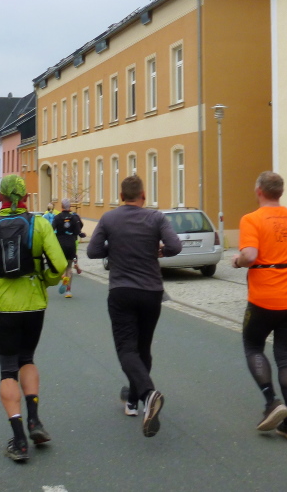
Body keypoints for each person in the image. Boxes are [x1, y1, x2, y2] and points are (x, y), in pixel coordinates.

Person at [0, 175, 67, 463]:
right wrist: (46, 280)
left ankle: (19, 440)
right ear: (26, 198)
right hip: (34, 304)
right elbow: (59, 264)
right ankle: (35, 421)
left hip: (5, 307)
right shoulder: (40, 223)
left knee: (8, 369)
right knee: (28, 359)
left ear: (1, 198)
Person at [87, 175, 182, 438]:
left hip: (121, 291)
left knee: (126, 349)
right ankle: (132, 401)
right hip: (151, 292)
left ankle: (148, 395)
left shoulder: (109, 218)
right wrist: (161, 251)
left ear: (121, 197)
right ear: (143, 195)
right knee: (143, 348)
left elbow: (93, 251)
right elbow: (175, 246)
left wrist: (113, 247)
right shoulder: (156, 218)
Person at [231, 171, 287, 441]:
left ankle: (272, 401)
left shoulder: (252, 219)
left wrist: (237, 261)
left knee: (253, 346)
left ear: (259, 190)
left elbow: (250, 255)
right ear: (280, 192)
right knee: (285, 356)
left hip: (265, 297)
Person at [52, 199, 84, 298]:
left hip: (60, 244)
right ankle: (68, 291)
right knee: (69, 267)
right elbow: (78, 231)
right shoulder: (74, 218)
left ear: (61, 206)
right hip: (71, 243)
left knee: (62, 265)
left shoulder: (57, 217)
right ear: (69, 206)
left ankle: (63, 275)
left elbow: (51, 229)